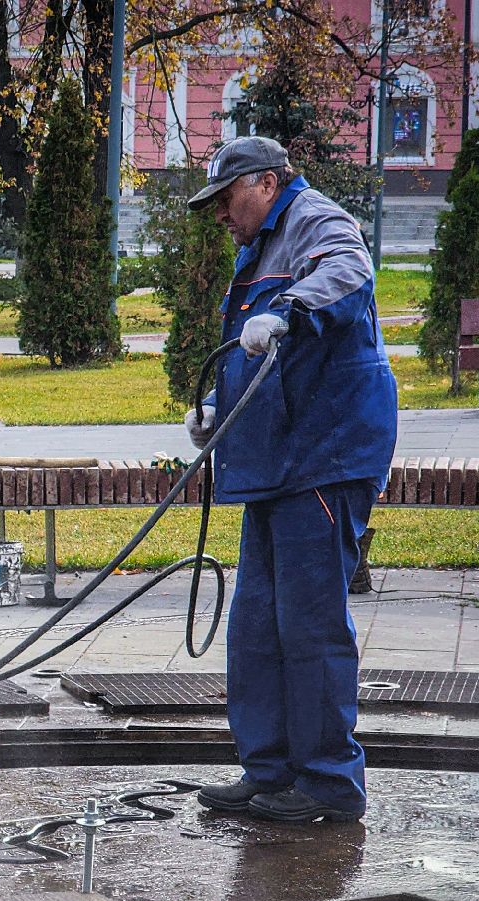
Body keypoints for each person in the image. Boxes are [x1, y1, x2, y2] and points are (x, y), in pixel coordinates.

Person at [183, 136, 397, 824]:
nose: (219, 213)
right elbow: (263, 350)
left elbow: (348, 270)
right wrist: (221, 407)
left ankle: (328, 786)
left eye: (226, 197)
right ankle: (269, 771)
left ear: (268, 183)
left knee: (307, 626)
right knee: (256, 625)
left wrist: (291, 308)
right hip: (276, 457)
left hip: (324, 456)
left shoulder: (314, 218)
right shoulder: (257, 246)